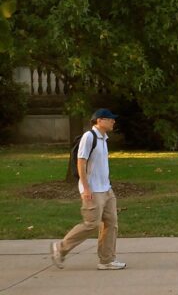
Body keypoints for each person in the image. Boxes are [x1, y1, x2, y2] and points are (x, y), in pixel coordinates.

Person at [50, 108, 124, 270]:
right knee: (91, 223)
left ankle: (107, 260)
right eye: (109, 118)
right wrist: (86, 187)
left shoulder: (103, 138)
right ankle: (61, 248)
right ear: (99, 120)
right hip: (93, 190)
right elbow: (81, 162)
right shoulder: (89, 137)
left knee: (111, 223)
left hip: (106, 189)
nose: (113, 121)